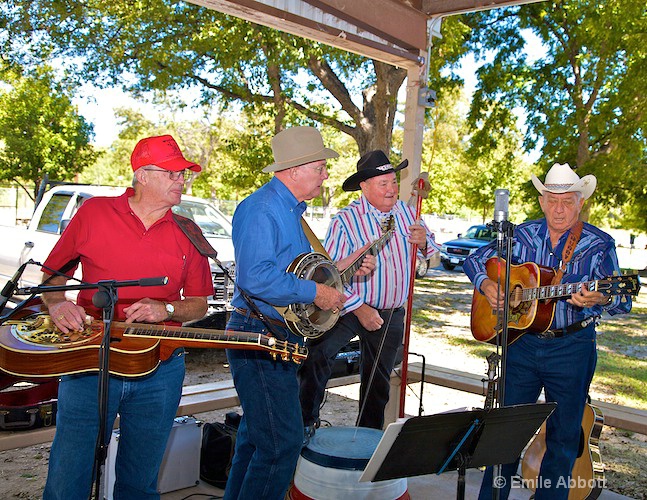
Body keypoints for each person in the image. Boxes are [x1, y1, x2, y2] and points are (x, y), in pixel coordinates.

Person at [41, 135, 214, 499]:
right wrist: (58, 305)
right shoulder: (94, 213)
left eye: (183, 174)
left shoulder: (189, 231)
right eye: (173, 173)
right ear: (143, 175)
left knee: (140, 481)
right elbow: (52, 279)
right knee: (69, 475)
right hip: (91, 362)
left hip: (160, 369)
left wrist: (166, 309)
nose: (181, 180)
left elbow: (199, 304)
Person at [463, 163, 632, 500]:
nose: (559, 208)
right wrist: (486, 284)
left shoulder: (599, 244)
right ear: (541, 201)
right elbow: (475, 257)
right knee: (504, 434)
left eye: (567, 201)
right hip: (521, 344)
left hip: (572, 347)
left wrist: (598, 300)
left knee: (564, 437)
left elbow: (622, 299)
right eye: (552, 199)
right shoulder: (521, 235)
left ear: (580, 202)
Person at [223, 126, 375, 499]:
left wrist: (341, 271)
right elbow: (256, 277)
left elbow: (296, 271)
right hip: (258, 335)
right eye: (321, 167)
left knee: (256, 439)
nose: (326, 175)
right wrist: (316, 292)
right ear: (294, 170)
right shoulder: (261, 209)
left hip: (275, 335)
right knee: (281, 445)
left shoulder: (291, 211)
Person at [298, 150, 439, 434]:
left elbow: (433, 254)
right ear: (365, 186)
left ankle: (365, 441)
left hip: (390, 313)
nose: (391, 189)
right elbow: (332, 277)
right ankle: (302, 426)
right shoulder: (345, 220)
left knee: (378, 383)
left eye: (393, 182)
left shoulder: (409, 213)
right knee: (318, 356)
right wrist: (361, 308)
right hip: (347, 307)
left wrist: (423, 242)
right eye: (383, 183)